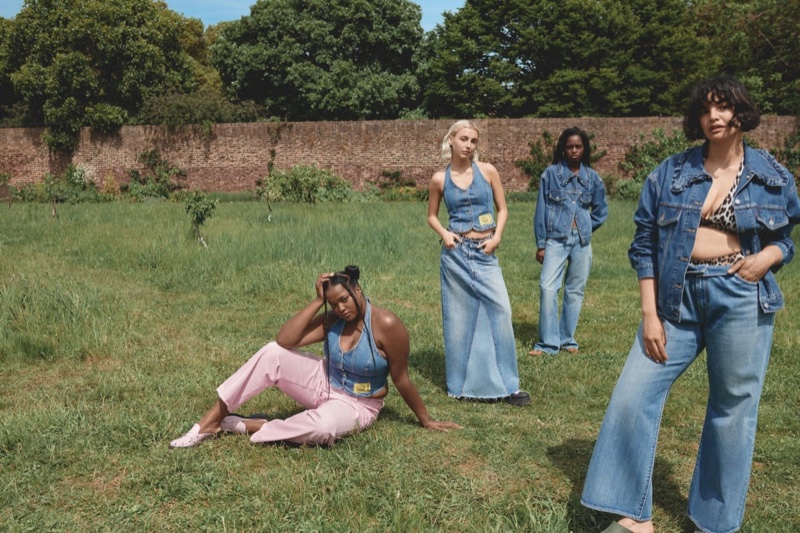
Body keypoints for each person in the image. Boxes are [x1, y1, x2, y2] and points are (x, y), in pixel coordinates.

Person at [581, 77, 800, 533]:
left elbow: (786, 238)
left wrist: (768, 257)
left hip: (740, 293)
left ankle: (714, 522)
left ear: (741, 113)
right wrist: (649, 314)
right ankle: (632, 517)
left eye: (723, 108)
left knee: (732, 408)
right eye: (706, 110)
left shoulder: (773, 176)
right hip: (676, 297)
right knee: (632, 393)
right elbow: (644, 243)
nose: (714, 117)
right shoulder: (671, 172)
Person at [170, 266, 461, 448]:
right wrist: (318, 301)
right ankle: (207, 424)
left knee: (323, 428)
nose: (341, 308)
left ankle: (252, 425)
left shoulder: (386, 325)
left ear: (357, 289)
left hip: (359, 405)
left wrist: (425, 420)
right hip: (325, 382)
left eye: (345, 299)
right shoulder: (332, 318)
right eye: (334, 304)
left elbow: (401, 379)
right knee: (272, 353)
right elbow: (285, 340)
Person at [426, 120, 530, 406]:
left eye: (473, 141)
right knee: (459, 319)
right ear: (451, 141)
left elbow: (503, 208)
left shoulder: (488, 171)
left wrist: (496, 237)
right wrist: (444, 234)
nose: (468, 145)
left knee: (500, 311)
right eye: (463, 139)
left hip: (485, 253)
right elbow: (432, 216)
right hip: (456, 254)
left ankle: (510, 386)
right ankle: (459, 387)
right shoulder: (439, 179)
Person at [529, 127, 608, 356]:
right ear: (563, 149)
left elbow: (601, 211)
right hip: (555, 240)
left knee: (575, 290)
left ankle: (566, 339)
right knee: (547, 287)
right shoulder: (550, 175)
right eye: (570, 146)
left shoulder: (592, 178)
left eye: (578, 146)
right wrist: (541, 243)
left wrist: (585, 227)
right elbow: (541, 210)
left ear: (584, 149)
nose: (574, 150)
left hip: (582, 242)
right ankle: (547, 343)